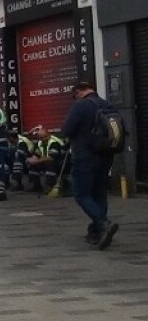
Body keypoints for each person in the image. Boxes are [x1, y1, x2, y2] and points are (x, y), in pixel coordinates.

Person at [60, 81, 119, 249]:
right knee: (100, 193)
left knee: (81, 194)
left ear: (79, 91)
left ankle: (103, 223)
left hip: (85, 156)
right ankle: (96, 231)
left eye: (74, 95)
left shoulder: (81, 105)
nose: (75, 98)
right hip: (106, 156)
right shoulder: (107, 104)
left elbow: (67, 129)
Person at [24, 125, 67, 193]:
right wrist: (31, 160)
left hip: (60, 163)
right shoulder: (40, 142)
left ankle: (50, 185)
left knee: (49, 163)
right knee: (32, 165)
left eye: (45, 137)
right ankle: (36, 186)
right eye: (41, 138)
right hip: (46, 160)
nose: (43, 139)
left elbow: (51, 158)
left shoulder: (54, 142)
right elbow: (36, 154)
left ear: (48, 135)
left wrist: (36, 161)